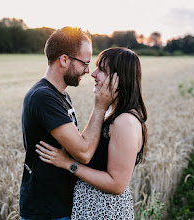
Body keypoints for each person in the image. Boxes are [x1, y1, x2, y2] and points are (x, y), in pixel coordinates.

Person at [36, 47, 148, 219]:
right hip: (93, 209)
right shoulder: (114, 115)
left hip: (106, 212)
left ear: (119, 79)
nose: (93, 74)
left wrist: (69, 164)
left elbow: (117, 184)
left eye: (102, 70)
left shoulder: (125, 122)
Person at [20, 27, 119, 220]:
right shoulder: (44, 97)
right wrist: (100, 107)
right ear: (64, 60)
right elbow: (83, 152)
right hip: (46, 211)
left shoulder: (60, 96)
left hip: (58, 207)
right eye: (85, 63)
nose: (88, 71)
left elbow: (78, 146)